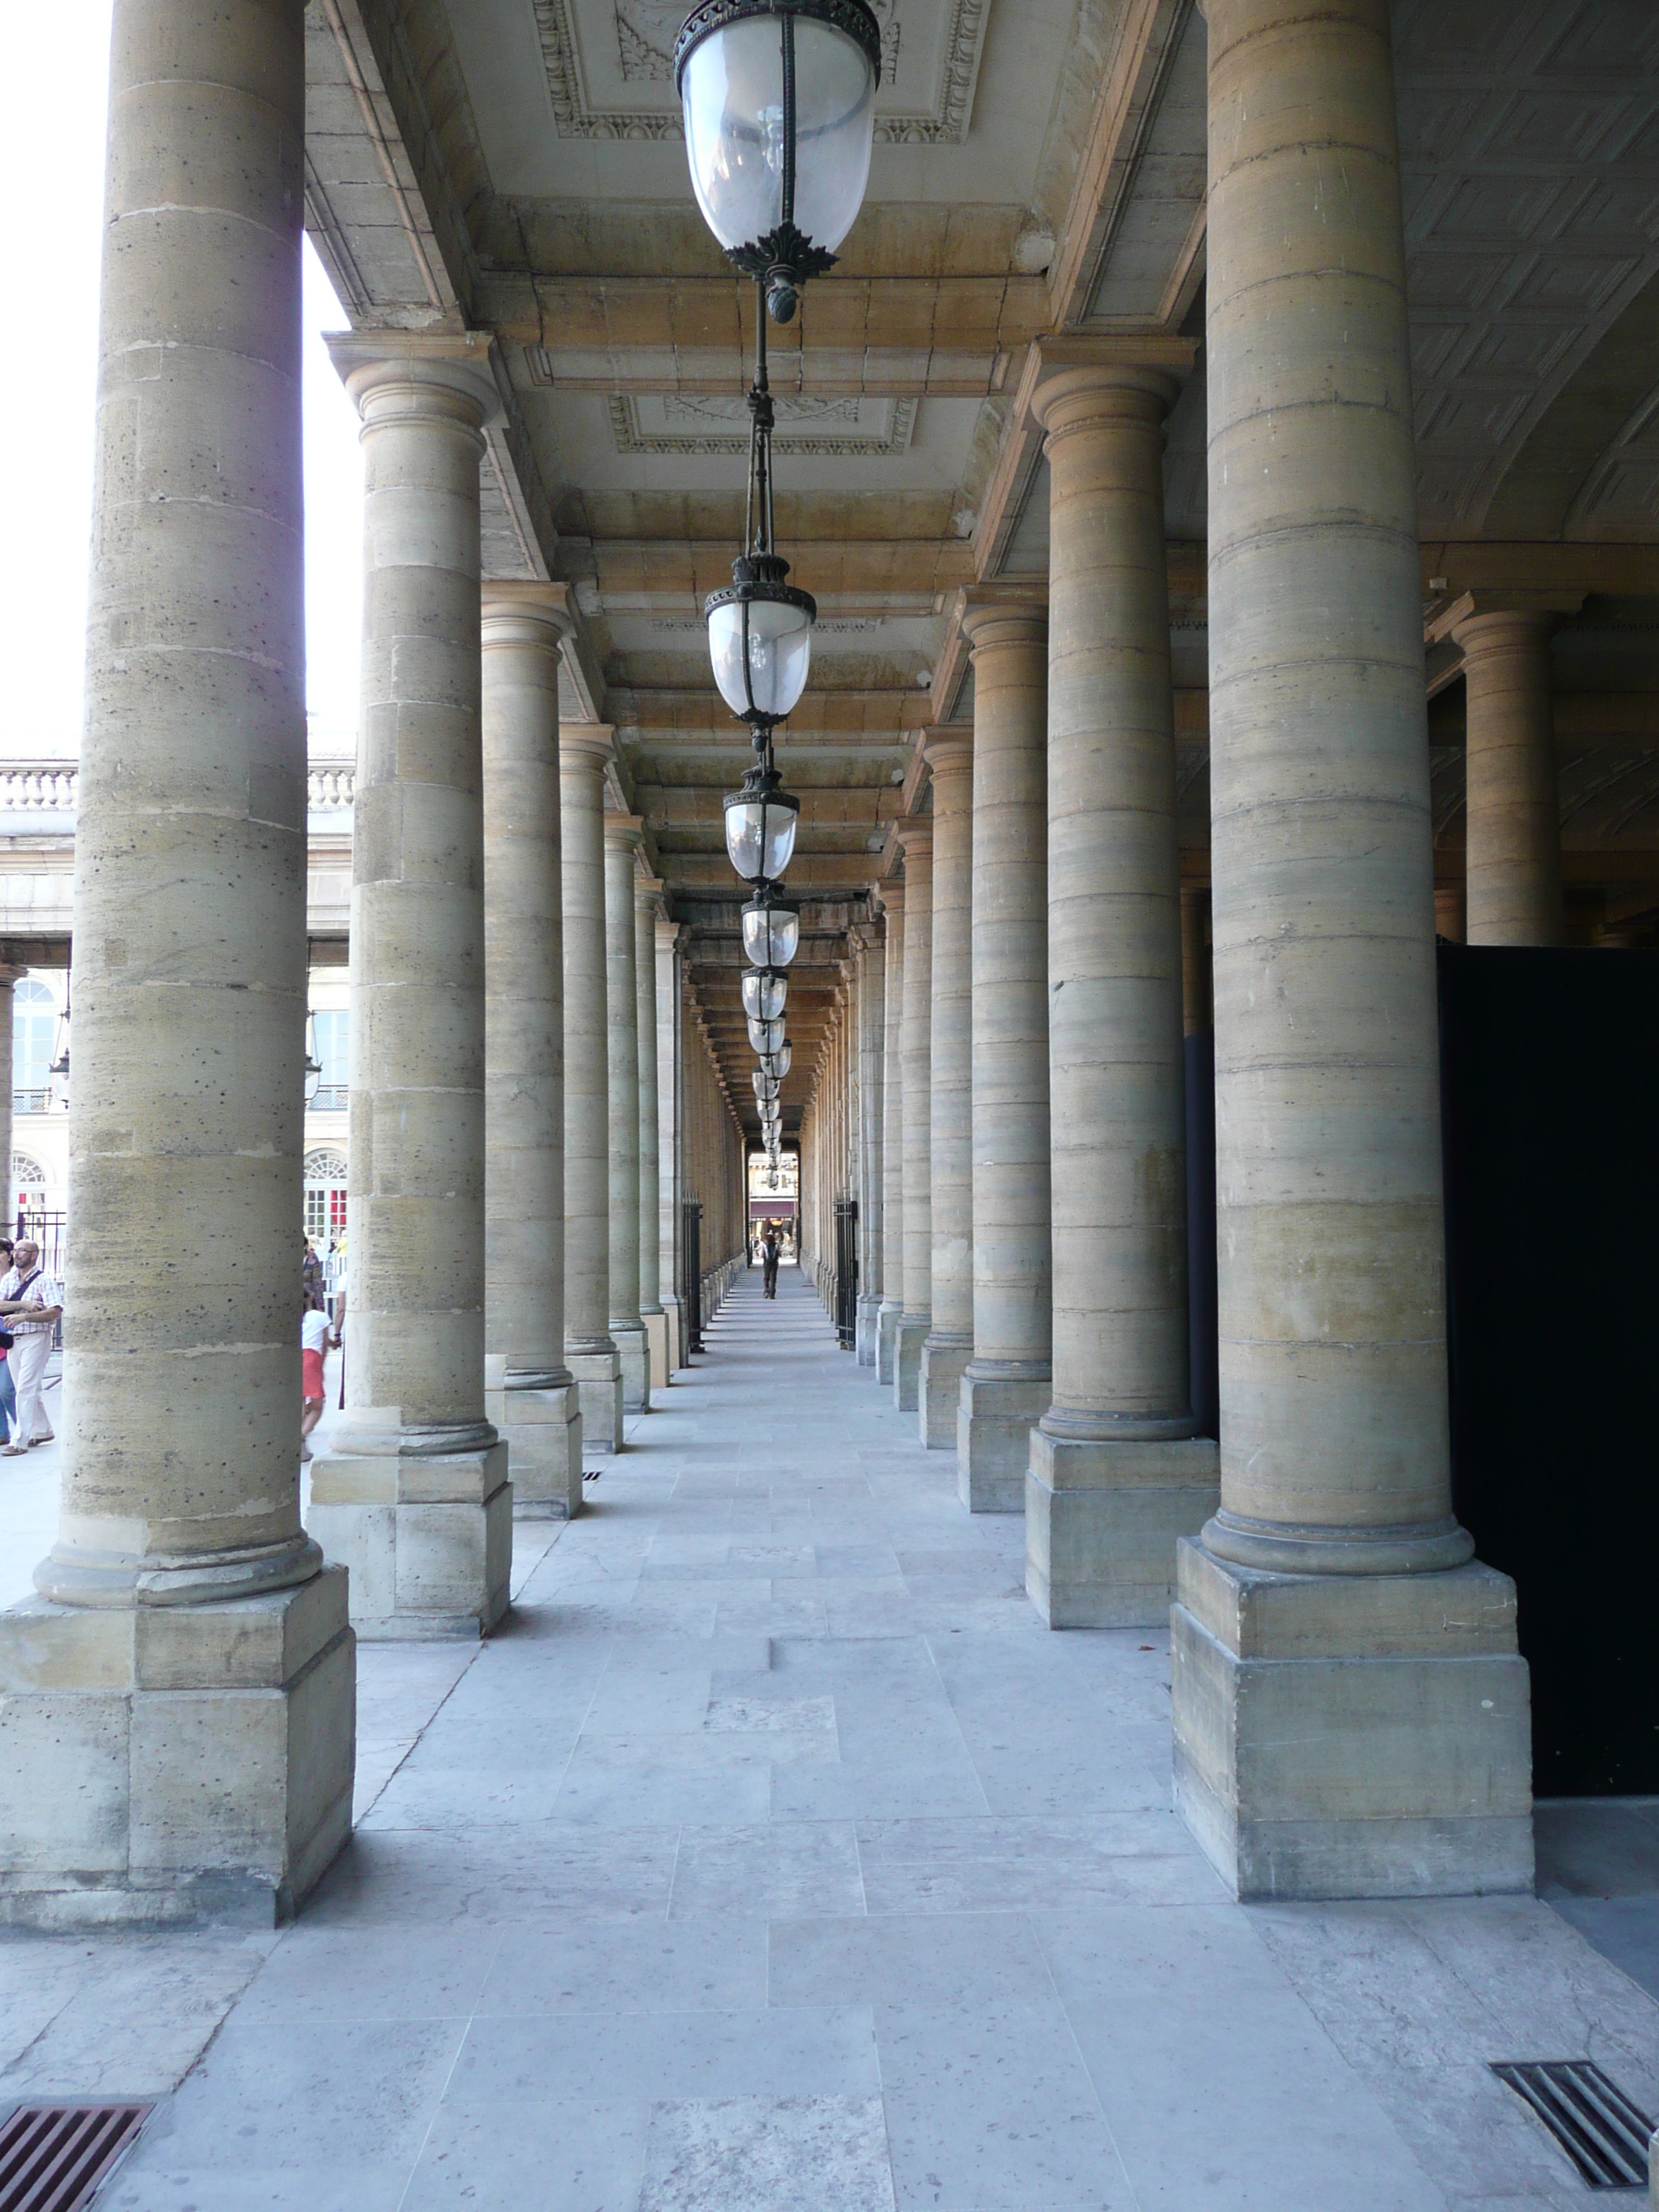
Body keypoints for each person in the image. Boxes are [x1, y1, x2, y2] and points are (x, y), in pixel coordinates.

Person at [0, 1239, 62, 1454]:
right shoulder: (8, 1279)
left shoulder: (44, 1281)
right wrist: (23, 1305)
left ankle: (20, 1440)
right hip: (13, 1339)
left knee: (25, 1388)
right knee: (24, 1388)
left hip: (36, 1337)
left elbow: (55, 1311)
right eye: (15, 1251)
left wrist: (26, 1317)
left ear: (33, 1255)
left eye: (22, 1251)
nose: (16, 1255)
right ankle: (42, 1430)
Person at [301, 1300, 336, 1461]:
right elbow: (323, 1343)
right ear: (309, 1299)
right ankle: (300, 1438)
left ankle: (299, 1443)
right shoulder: (321, 1316)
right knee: (317, 1405)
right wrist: (321, 1367)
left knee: (300, 1401)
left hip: (295, 1355)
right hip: (311, 1358)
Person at [302, 1236, 325, 1313]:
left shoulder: (312, 1259)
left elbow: (317, 1283)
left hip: (309, 1297)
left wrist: (320, 1306)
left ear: (305, 1246)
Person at [761, 1221, 781, 1300]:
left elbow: (761, 1255)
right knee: (773, 1278)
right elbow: (780, 1253)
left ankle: (766, 1291)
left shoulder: (765, 1246)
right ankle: (772, 1294)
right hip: (774, 1263)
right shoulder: (776, 1245)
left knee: (766, 1277)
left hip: (766, 1263)